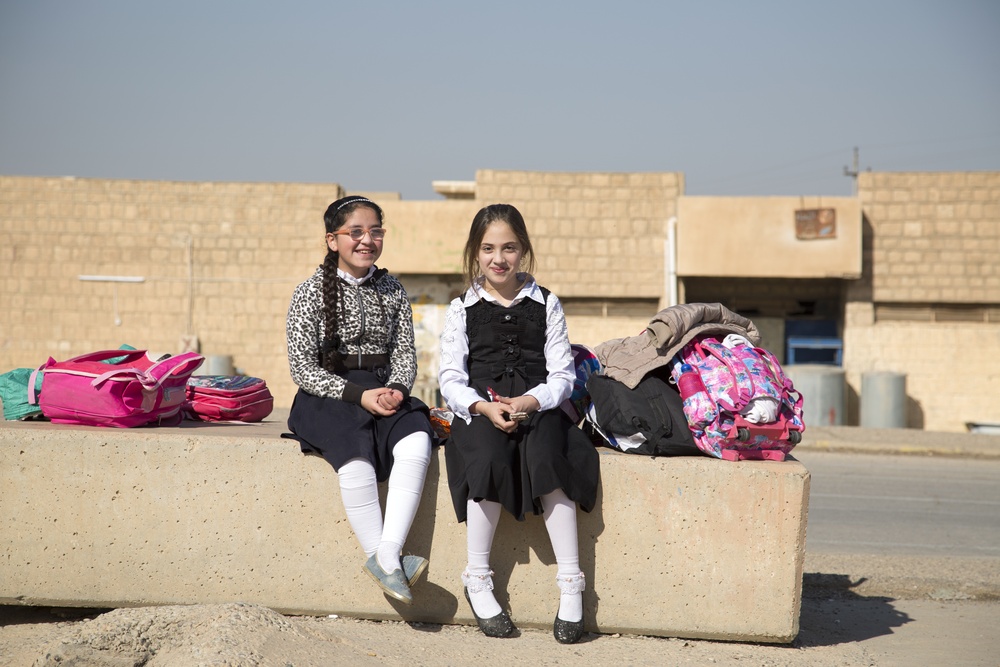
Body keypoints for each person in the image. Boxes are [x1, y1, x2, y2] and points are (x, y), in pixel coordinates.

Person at [438, 203, 600, 644]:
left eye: (509, 247)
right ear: (475, 252)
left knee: (550, 457)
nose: (499, 258)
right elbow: (450, 378)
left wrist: (532, 400)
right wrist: (484, 408)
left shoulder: (546, 302)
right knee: (488, 457)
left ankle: (572, 584)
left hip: (539, 405)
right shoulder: (461, 308)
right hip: (481, 408)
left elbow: (563, 375)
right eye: (488, 248)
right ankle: (477, 577)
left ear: (523, 250)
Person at [283, 195, 433, 605]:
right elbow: (302, 369)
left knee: (417, 439)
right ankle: (388, 559)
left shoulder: (393, 288)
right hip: (329, 393)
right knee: (355, 453)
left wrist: (397, 390)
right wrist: (358, 395)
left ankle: (386, 555)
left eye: (376, 231)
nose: (367, 240)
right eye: (356, 232)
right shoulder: (310, 292)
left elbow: (405, 353)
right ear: (333, 240)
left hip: (385, 390)